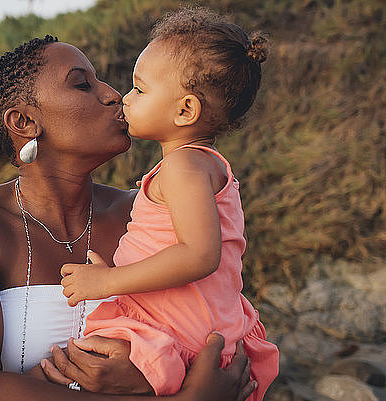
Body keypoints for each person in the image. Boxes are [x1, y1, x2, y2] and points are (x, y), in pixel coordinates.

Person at [0, 34, 256, 401]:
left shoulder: (148, 217)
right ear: (24, 122)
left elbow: (221, 340)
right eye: (83, 84)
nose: (114, 94)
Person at [59, 8, 279, 400]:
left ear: (185, 110)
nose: (124, 99)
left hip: (176, 331)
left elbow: (199, 255)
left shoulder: (183, 166)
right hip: (196, 324)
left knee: (74, 368)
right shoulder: (201, 165)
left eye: (139, 90)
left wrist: (107, 282)